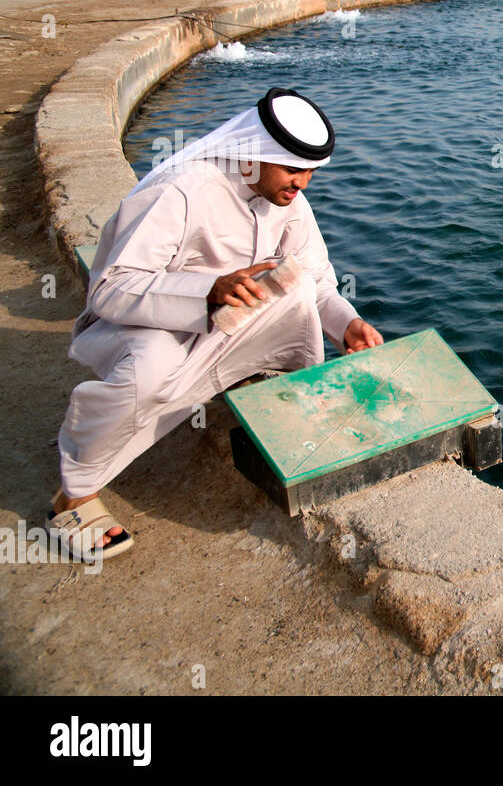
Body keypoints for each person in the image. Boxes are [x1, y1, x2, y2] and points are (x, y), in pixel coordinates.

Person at [49, 87, 382, 561]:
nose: (303, 183)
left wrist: (347, 324)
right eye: (293, 169)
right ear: (256, 155)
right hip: (144, 321)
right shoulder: (182, 191)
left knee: (298, 287)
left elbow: (315, 278)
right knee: (151, 370)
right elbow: (109, 289)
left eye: (310, 171)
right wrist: (207, 289)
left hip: (224, 323)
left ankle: (263, 391)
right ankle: (74, 493)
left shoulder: (285, 200)